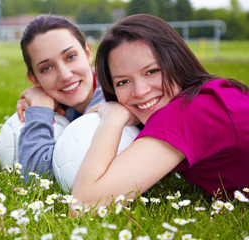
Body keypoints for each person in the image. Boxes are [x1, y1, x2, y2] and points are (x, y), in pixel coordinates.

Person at [71, 14, 249, 210]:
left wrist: (113, 117)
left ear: (176, 61)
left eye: (152, 71)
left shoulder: (187, 112)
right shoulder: (208, 96)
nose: (140, 91)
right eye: (123, 82)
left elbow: (85, 204)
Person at [17, 15, 105, 179]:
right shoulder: (61, 104)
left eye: (70, 57)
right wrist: (41, 106)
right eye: (47, 68)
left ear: (88, 53)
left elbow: (37, 175)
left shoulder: (113, 95)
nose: (65, 75)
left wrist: (40, 109)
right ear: (34, 79)